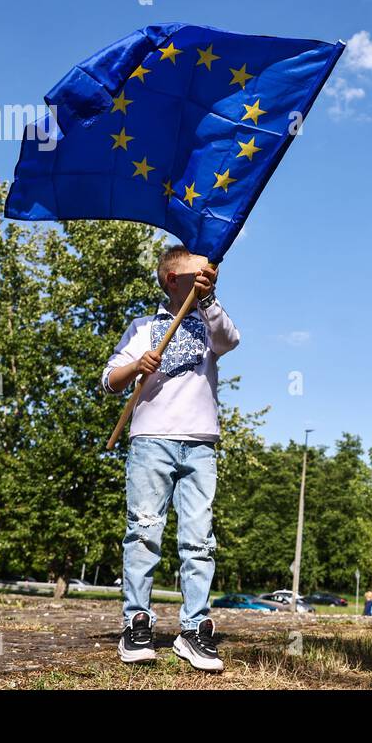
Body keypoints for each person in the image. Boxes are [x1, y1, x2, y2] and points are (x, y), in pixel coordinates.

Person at [105, 245, 240, 672]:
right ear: (170, 280)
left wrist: (208, 300)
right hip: (151, 440)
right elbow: (109, 381)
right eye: (196, 276)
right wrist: (136, 367)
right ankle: (137, 623)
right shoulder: (143, 328)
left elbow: (229, 340)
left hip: (200, 442)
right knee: (144, 531)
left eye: (210, 277)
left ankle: (194, 629)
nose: (206, 280)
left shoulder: (208, 320)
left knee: (198, 539)